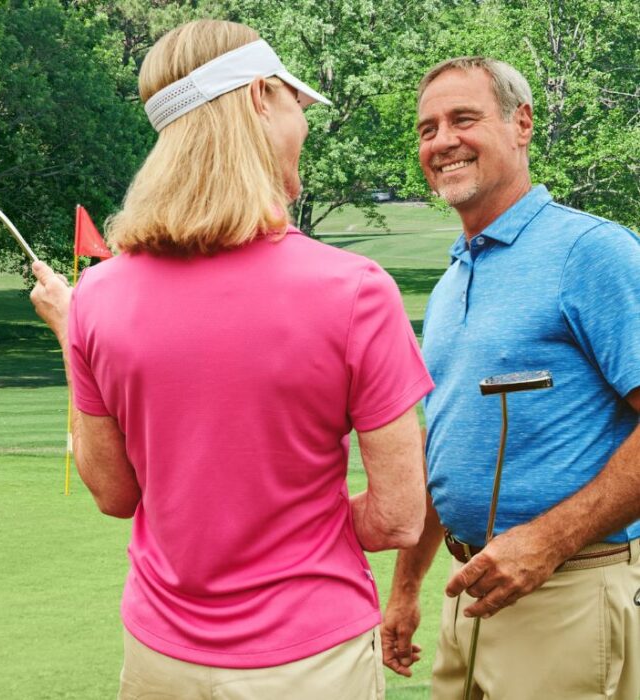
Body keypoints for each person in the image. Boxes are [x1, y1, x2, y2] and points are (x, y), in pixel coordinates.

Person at [30, 19, 434, 700]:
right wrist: (296, 540)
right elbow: (399, 517)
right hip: (309, 663)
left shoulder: (98, 296)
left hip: (160, 656)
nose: (302, 125)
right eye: (295, 104)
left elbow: (113, 493)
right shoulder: (356, 291)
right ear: (257, 98)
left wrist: (73, 332)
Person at [381, 56, 640, 699]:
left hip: (572, 592)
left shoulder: (591, 252)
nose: (442, 141)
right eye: (426, 129)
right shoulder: (449, 285)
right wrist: (407, 588)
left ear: (521, 124)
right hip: (465, 594)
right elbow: (444, 449)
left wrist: (550, 540)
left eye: (463, 118)